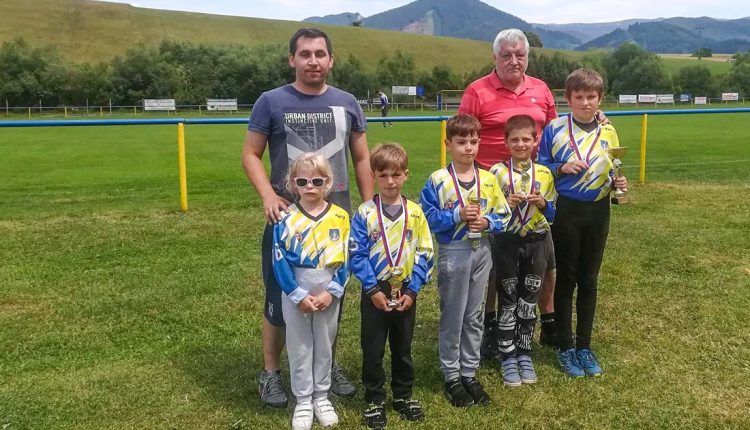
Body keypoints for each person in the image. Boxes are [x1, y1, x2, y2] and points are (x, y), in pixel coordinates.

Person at [241, 27, 374, 408]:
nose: (313, 60)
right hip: (288, 222)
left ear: (331, 60)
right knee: (279, 299)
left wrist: (369, 207)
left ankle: (325, 367)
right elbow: (250, 154)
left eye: (319, 54)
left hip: (335, 223)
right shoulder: (271, 101)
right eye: (305, 54)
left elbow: (362, 158)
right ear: (292, 59)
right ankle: (270, 373)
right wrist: (269, 195)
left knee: (330, 297)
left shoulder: (347, 102)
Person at [458, 28, 560, 358]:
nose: (514, 60)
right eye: (507, 55)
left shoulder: (541, 89)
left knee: (542, 259)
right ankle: (491, 324)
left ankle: (547, 321)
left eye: (520, 54)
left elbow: (556, 131)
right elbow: (461, 134)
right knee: (493, 264)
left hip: (534, 190)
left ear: (527, 57)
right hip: (492, 191)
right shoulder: (477, 91)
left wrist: (595, 117)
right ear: (495, 57)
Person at [537, 68, 628, 378]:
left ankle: (584, 346)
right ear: (568, 98)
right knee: (567, 278)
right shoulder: (554, 128)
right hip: (567, 211)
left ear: (600, 98)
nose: (586, 103)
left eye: (591, 97)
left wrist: (617, 182)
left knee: (589, 279)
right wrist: (560, 167)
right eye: (579, 97)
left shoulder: (609, 130)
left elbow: (612, 167)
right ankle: (565, 346)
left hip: (598, 211)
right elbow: (539, 166)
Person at [420, 114, 509, 407]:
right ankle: (451, 375)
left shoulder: (489, 180)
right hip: (454, 252)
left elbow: (504, 215)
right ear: (448, 144)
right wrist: (456, 215)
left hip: (482, 251)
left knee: (474, 314)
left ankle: (469, 372)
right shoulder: (438, 180)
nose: (468, 148)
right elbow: (427, 217)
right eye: (461, 142)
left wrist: (488, 222)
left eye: (473, 141)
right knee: (454, 314)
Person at [350, 143, 434, 429]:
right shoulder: (364, 213)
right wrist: (373, 290)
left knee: (403, 347)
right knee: (373, 348)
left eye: (396, 175)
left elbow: (425, 252)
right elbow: (357, 254)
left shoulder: (416, 213)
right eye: (383, 175)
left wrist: (413, 290)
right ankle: (374, 399)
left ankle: (403, 395)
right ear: (373, 175)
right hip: (375, 292)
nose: (390, 181)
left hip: (406, 290)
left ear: (406, 175)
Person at [273, 153, 349, 430]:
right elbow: (279, 260)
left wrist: (332, 291)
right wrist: (296, 295)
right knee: (299, 345)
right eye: (302, 181)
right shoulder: (285, 218)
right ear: (293, 183)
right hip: (297, 289)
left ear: (327, 183)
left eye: (317, 181)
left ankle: (321, 396)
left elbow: (347, 258)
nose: (309, 187)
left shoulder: (340, 216)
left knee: (325, 344)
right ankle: (303, 399)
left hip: (328, 289)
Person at [488, 115, 557, 386]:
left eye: (526, 139)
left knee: (529, 299)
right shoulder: (496, 173)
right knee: (508, 298)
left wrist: (542, 203)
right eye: (514, 139)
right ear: (505, 141)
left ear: (535, 141)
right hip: (507, 241)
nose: (520, 144)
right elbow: (490, 212)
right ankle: (507, 354)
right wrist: (506, 203)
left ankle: (524, 352)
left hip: (537, 241)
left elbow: (552, 213)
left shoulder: (544, 174)